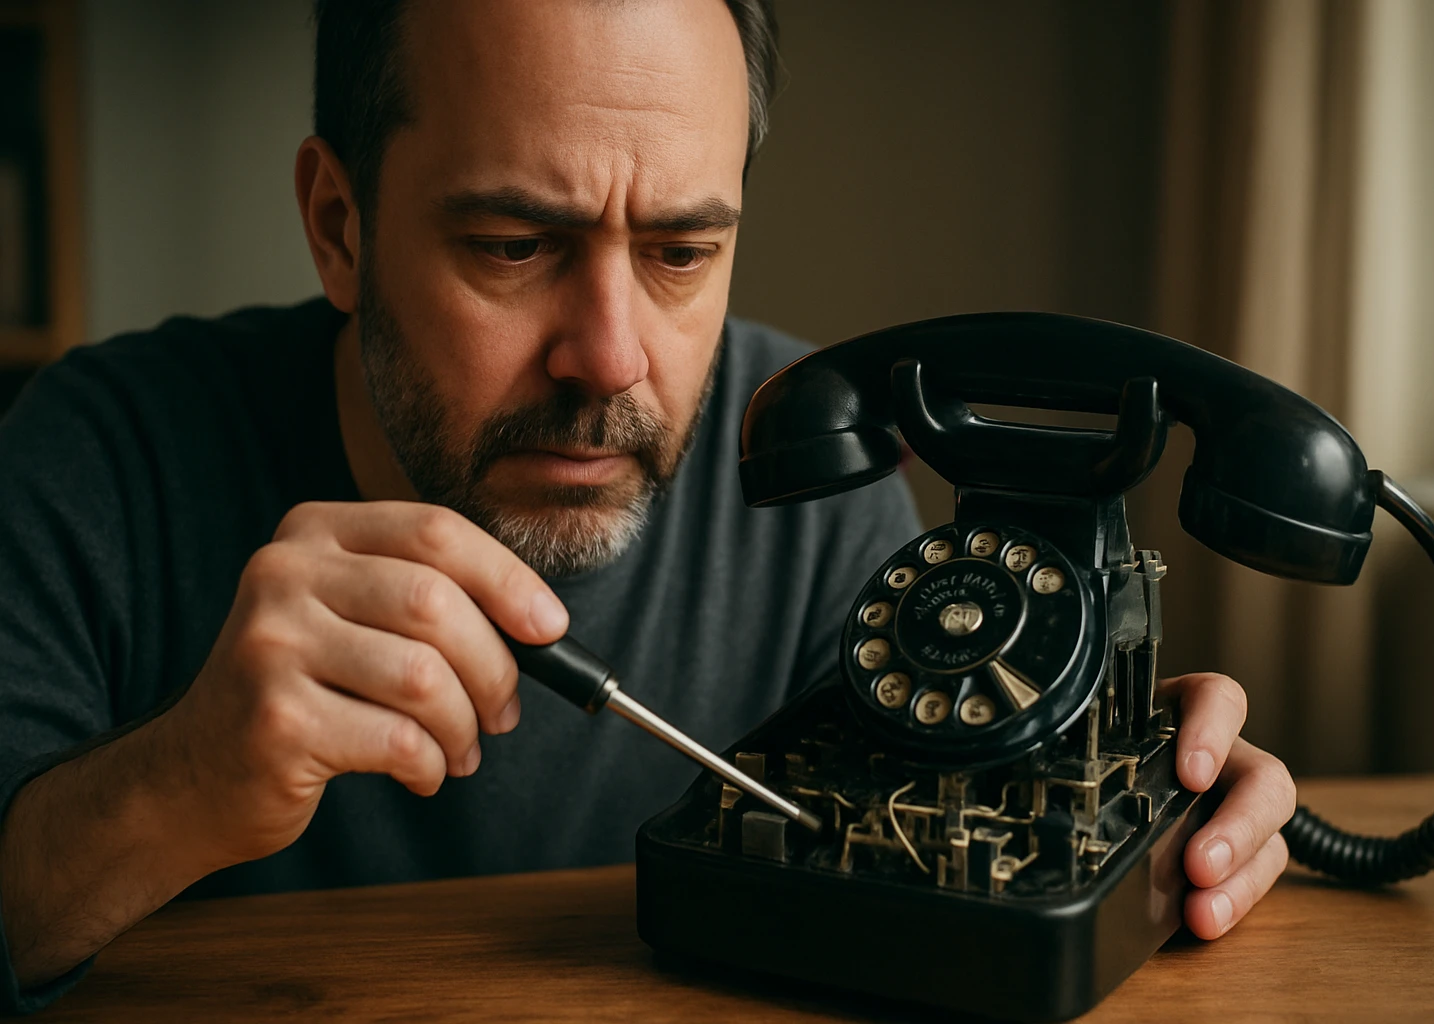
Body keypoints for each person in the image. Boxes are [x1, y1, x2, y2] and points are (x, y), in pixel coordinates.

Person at [0, 0, 1296, 1012]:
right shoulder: (93, 453)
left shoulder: (821, 498)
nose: (611, 359)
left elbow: (933, 884)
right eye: (515, 247)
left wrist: (1116, 787)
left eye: (682, 253)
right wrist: (174, 786)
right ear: (340, 225)